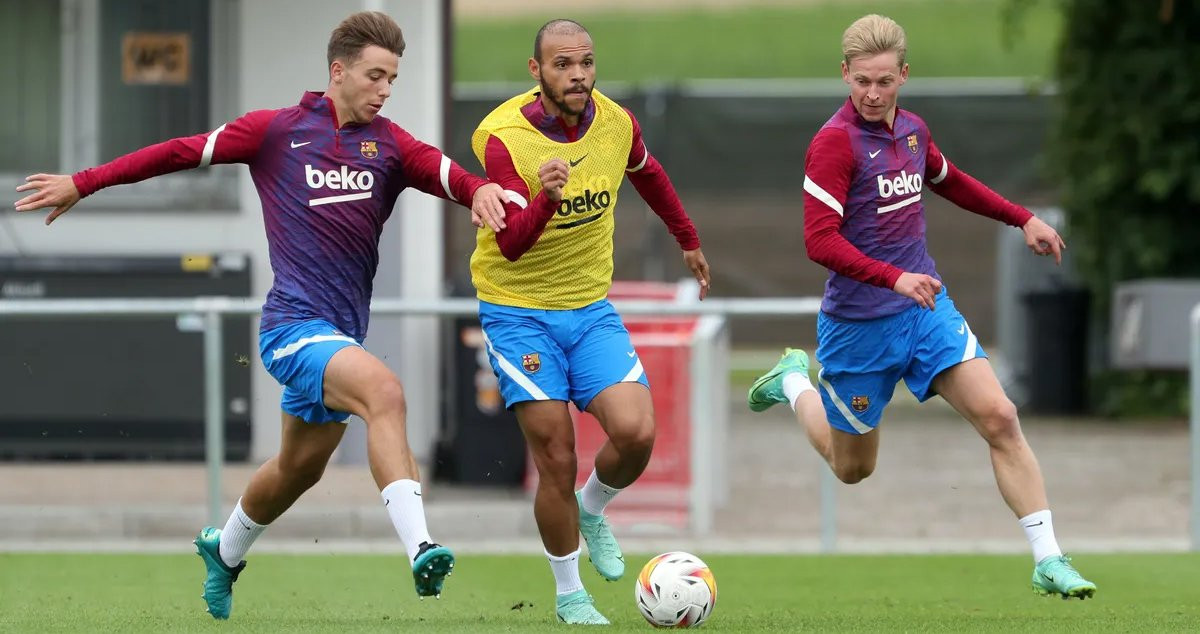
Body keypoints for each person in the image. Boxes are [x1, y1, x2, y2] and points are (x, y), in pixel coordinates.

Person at [13, 11, 509, 620]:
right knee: (385, 392)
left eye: (393, 80)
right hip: (290, 329)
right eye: (375, 75)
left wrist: (479, 189)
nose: (384, 89)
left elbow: (447, 173)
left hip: (339, 336)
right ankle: (421, 549)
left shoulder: (391, 144)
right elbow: (176, 152)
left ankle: (223, 550)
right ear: (339, 70)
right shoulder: (275, 132)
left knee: (298, 470)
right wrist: (84, 182)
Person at [746, 14, 1096, 600]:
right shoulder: (833, 144)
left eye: (885, 81)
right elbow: (819, 241)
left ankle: (1048, 558)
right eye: (862, 82)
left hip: (925, 310)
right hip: (858, 327)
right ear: (845, 75)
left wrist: (1023, 218)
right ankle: (792, 384)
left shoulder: (912, 131)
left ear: (904, 75)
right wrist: (892, 277)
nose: (873, 93)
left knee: (1001, 417)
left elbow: (950, 180)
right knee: (852, 468)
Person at [468, 19, 710, 625]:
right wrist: (548, 196)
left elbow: (648, 174)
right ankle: (570, 593)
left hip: (589, 309)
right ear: (537, 71)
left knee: (636, 434)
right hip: (518, 313)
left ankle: (593, 508)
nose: (577, 75)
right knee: (556, 452)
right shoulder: (502, 138)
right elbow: (515, 245)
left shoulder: (615, 122)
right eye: (562, 65)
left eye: (586, 63)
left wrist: (687, 237)